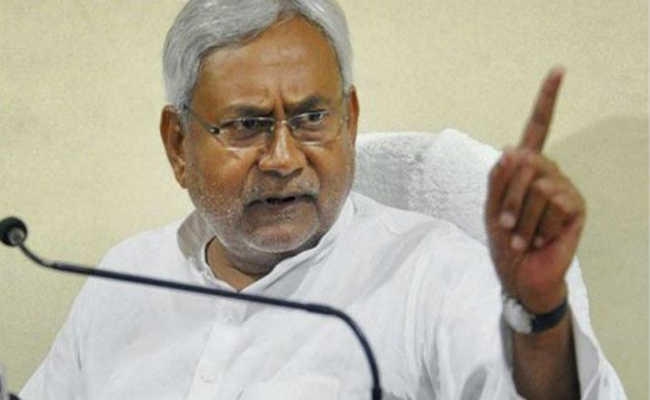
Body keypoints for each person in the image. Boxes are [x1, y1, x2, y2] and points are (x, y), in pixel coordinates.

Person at [20, 0, 626, 399]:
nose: (284, 158)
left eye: (312, 118)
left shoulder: (431, 274)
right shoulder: (125, 278)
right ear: (178, 144)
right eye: (248, 125)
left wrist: (540, 315)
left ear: (350, 120)